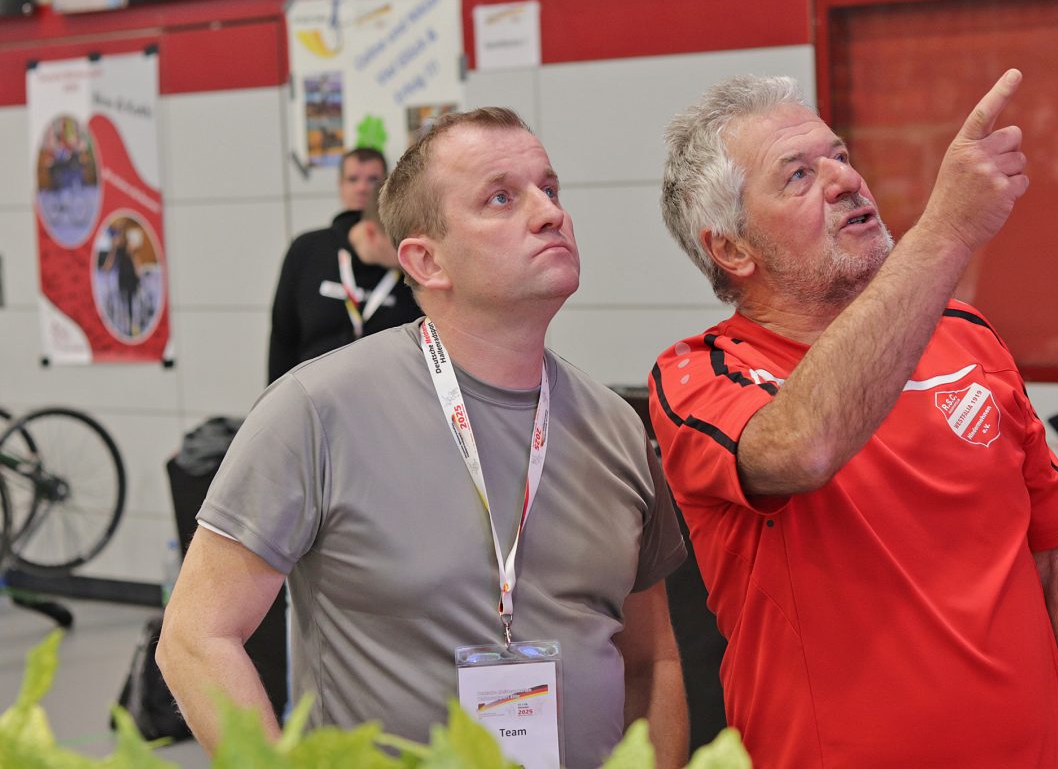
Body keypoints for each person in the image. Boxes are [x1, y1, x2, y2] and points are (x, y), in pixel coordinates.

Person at [648, 71, 1058, 767]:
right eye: (798, 175)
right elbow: (803, 448)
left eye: (839, 156)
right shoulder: (701, 374)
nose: (844, 181)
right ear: (733, 250)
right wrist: (945, 231)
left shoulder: (967, 335)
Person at [157, 107, 689, 769]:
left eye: (549, 189)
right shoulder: (317, 410)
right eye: (502, 198)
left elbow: (652, 661)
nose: (550, 213)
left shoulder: (615, 427)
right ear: (427, 261)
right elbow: (196, 637)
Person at [267, 146, 422, 383]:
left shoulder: (410, 264)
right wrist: (275, 396)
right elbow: (283, 336)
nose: (362, 188)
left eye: (372, 179)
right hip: (314, 391)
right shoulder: (307, 249)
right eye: (353, 179)